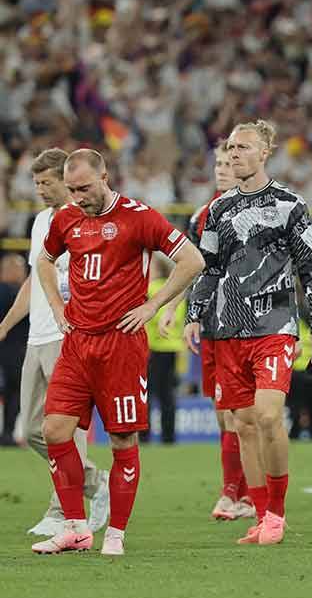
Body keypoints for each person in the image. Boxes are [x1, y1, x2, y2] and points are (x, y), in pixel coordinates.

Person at [31, 148, 205, 555]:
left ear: (105, 176)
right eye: (72, 190)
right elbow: (43, 261)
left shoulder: (139, 216)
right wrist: (58, 307)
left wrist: (152, 304)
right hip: (77, 343)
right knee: (53, 430)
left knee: (123, 441)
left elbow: (191, 260)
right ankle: (76, 528)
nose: (78, 197)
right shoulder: (66, 218)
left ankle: (116, 534)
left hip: (121, 345)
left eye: (85, 188)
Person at [185, 120, 312, 546]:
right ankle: (262, 513)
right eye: (230, 147)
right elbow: (209, 269)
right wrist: (195, 314)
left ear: (265, 152)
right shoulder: (218, 209)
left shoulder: (290, 204)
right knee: (244, 425)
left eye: (243, 147)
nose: (233, 154)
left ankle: (278, 513)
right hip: (228, 329)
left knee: (268, 415)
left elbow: (310, 269)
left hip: (276, 326)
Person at [0, 148, 109, 536]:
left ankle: (63, 511)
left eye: (47, 182)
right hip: (37, 337)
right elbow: (33, 279)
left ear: (67, 179)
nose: (41, 190)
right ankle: (96, 483)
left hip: (71, 337)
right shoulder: (41, 221)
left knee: (67, 428)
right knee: (28, 430)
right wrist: (8, 323)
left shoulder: (87, 220)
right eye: (37, 183)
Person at [167, 142, 254, 520]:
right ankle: (236, 492)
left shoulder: (257, 211)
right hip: (213, 324)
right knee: (223, 414)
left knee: (243, 414)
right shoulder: (202, 215)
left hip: (249, 324)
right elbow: (194, 268)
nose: (221, 168)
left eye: (227, 162)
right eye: (217, 163)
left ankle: (243, 494)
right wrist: (179, 308)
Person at [145, 255, 186, 444]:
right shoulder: (178, 294)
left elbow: (150, 318)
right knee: (168, 395)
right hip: (174, 349)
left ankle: (144, 435)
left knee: (147, 393)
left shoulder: (152, 289)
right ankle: (168, 436)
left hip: (154, 348)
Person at [0, 253, 29, 444]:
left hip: (11, 351)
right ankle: (8, 434)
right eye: (19, 268)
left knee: (12, 393)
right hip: (14, 352)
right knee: (14, 394)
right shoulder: (16, 294)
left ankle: (8, 434)